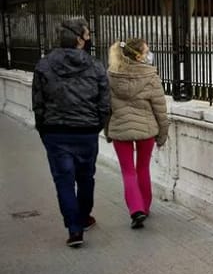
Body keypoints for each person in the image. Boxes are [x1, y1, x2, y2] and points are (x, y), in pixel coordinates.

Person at [32, 17, 110, 248]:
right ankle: (84, 217)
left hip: (55, 133)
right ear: (78, 39)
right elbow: (104, 103)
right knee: (86, 177)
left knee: (63, 181)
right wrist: (97, 125)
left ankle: (74, 230)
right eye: (87, 35)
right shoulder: (95, 66)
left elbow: (38, 102)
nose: (89, 39)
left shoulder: (44, 65)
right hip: (86, 132)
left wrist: (44, 129)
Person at [105, 38, 169, 229]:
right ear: (139, 55)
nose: (149, 54)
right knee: (142, 168)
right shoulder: (150, 76)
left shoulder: (111, 75)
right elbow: (160, 108)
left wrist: (108, 130)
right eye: (147, 51)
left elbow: (106, 107)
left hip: (120, 129)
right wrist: (163, 134)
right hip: (146, 129)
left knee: (128, 171)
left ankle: (135, 209)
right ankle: (145, 207)